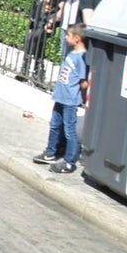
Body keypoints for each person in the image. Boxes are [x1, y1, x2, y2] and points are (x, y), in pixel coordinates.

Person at [31, 23, 89, 174]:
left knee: (69, 130)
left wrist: (81, 95)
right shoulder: (72, 53)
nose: (66, 38)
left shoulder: (82, 57)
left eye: (69, 35)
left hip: (70, 100)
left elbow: (84, 82)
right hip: (61, 96)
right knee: (55, 124)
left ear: (77, 38)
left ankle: (70, 162)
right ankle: (50, 153)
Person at [21, 0, 61, 81]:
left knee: (37, 41)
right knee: (30, 39)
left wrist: (51, 23)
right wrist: (31, 25)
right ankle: (26, 69)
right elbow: (35, 7)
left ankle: (38, 71)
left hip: (46, 25)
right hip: (37, 23)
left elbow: (57, 10)